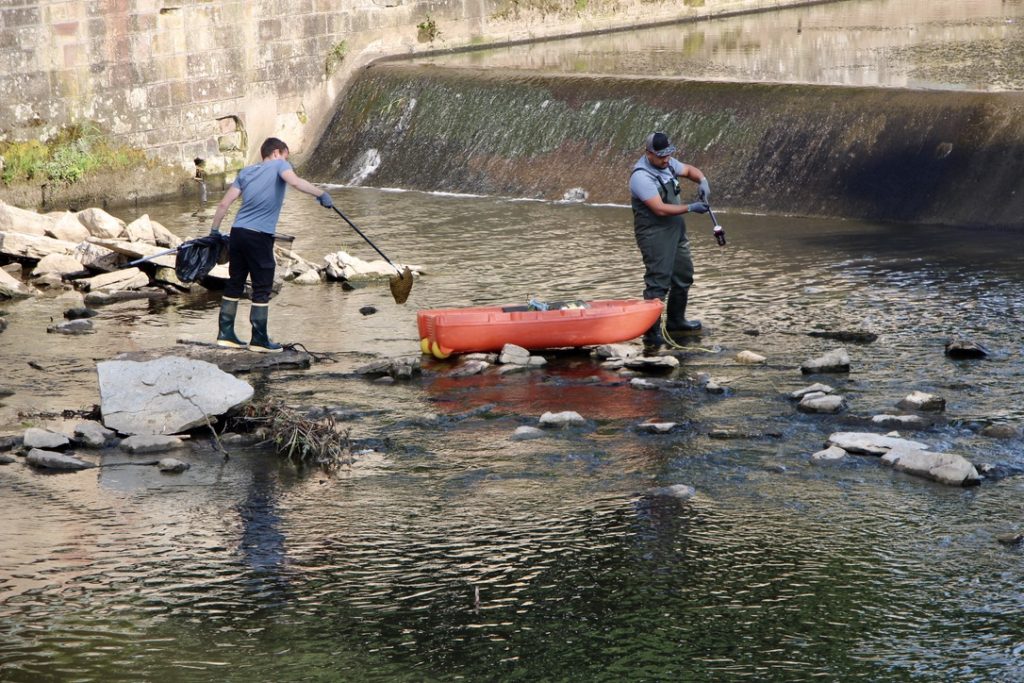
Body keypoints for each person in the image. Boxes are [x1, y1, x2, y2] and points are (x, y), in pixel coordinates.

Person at [210, 137, 333, 352]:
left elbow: (224, 203)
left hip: (237, 233)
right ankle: (259, 340)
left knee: (235, 281)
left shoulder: (246, 172)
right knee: (262, 285)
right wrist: (321, 194)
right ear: (277, 152)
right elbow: (294, 182)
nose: (288, 162)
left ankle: (225, 334)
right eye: (286, 156)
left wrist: (213, 231)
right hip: (259, 235)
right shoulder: (280, 165)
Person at [629, 131, 711, 353]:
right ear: (648, 153)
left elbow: (690, 170)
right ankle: (652, 333)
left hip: (676, 229)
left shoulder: (669, 163)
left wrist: (702, 180)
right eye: (661, 156)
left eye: (669, 154)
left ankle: (676, 321)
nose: (666, 160)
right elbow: (659, 208)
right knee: (658, 282)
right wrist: (692, 207)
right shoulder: (641, 176)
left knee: (684, 275)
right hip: (654, 233)